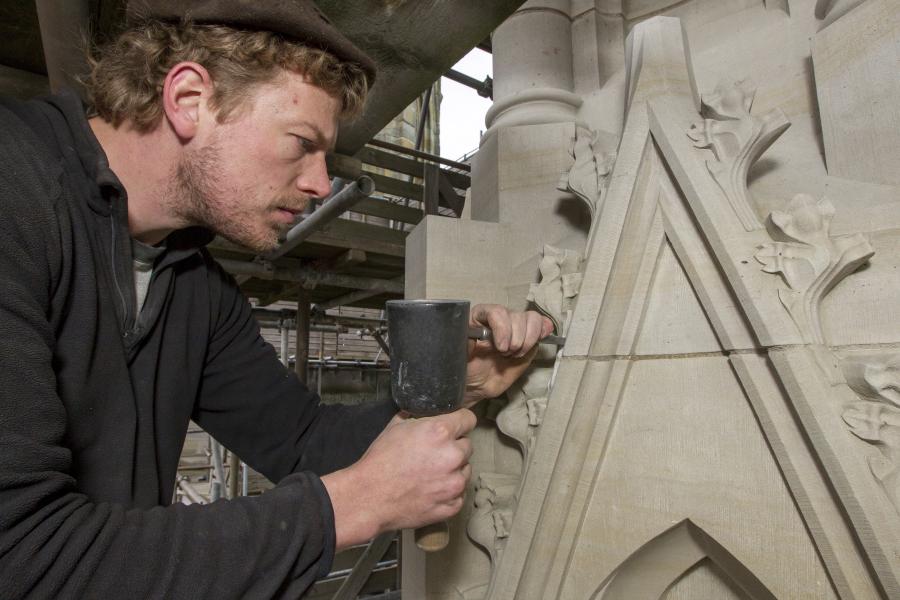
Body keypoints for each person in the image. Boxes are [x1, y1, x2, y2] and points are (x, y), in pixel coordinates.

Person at [0, 1, 553, 598]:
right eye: (301, 143)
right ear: (189, 99)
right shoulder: (16, 194)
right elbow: (25, 554)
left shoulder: (192, 280)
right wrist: (351, 506)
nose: (321, 183)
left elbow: (302, 442)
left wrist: (460, 381)